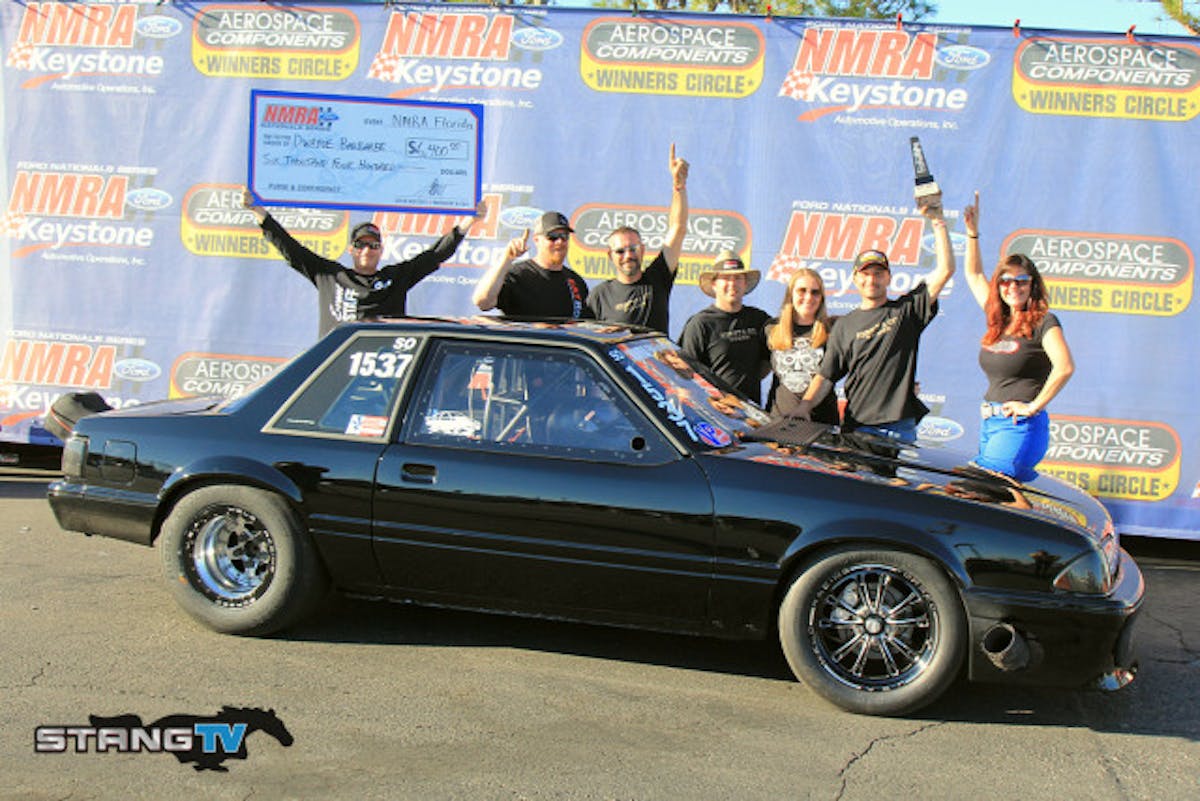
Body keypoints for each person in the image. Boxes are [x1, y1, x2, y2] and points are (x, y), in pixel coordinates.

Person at [795, 193, 955, 443]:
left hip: (899, 428)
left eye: (879, 273)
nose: (872, 279)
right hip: (858, 427)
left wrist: (937, 221)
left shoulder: (906, 311)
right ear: (855, 278)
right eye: (865, 274)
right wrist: (805, 405)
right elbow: (826, 375)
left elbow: (945, 270)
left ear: (888, 277)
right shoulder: (844, 326)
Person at [243, 189, 484, 337]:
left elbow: (434, 255)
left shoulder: (395, 278)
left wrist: (468, 222)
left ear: (381, 250)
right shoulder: (330, 275)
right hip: (335, 365)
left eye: (373, 245)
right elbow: (291, 250)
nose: (367, 250)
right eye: (360, 245)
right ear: (351, 249)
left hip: (380, 368)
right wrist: (258, 212)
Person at [962, 191, 1074, 481]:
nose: (1013, 287)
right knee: (996, 498)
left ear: (1032, 285)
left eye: (1021, 281)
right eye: (1006, 281)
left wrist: (1034, 407)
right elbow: (974, 275)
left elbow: (1064, 367)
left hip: (1018, 426)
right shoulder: (998, 319)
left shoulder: (1044, 321)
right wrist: (972, 234)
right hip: (990, 424)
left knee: (987, 489)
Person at [587, 144, 689, 333]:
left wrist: (679, 187)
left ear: (642, 250)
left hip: (656, 354)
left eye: (632, 248)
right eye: (620, 251)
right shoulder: (599, 295)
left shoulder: (658, 278)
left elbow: (678, 228)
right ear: (610, 255)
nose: (628, 255)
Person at [678, 251, 771, 405]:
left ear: (745, 283)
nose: (732, 284)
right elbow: (686, 372)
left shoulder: (759, 319)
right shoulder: (700, 323)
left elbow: (768, 360)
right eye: (726, 278)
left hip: (752, 412)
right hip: (716, 411)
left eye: (738, 278)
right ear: (714, 284)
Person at [472, 210, 589, 319]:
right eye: (552, 237)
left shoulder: (576, 281)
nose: (559, 242)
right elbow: (482, 302)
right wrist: (506, 258)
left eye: (564, 236)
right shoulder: (518, 274)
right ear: (537, 240)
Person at [765, 267, 838, 424]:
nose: (808, 297)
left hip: (821, 423)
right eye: (802, 291)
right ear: (790, 294)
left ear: (822, 298)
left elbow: (828, 376)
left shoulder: (833, 330)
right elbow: (761, 366)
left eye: (815, 292)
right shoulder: (771, 328)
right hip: (779, 421)